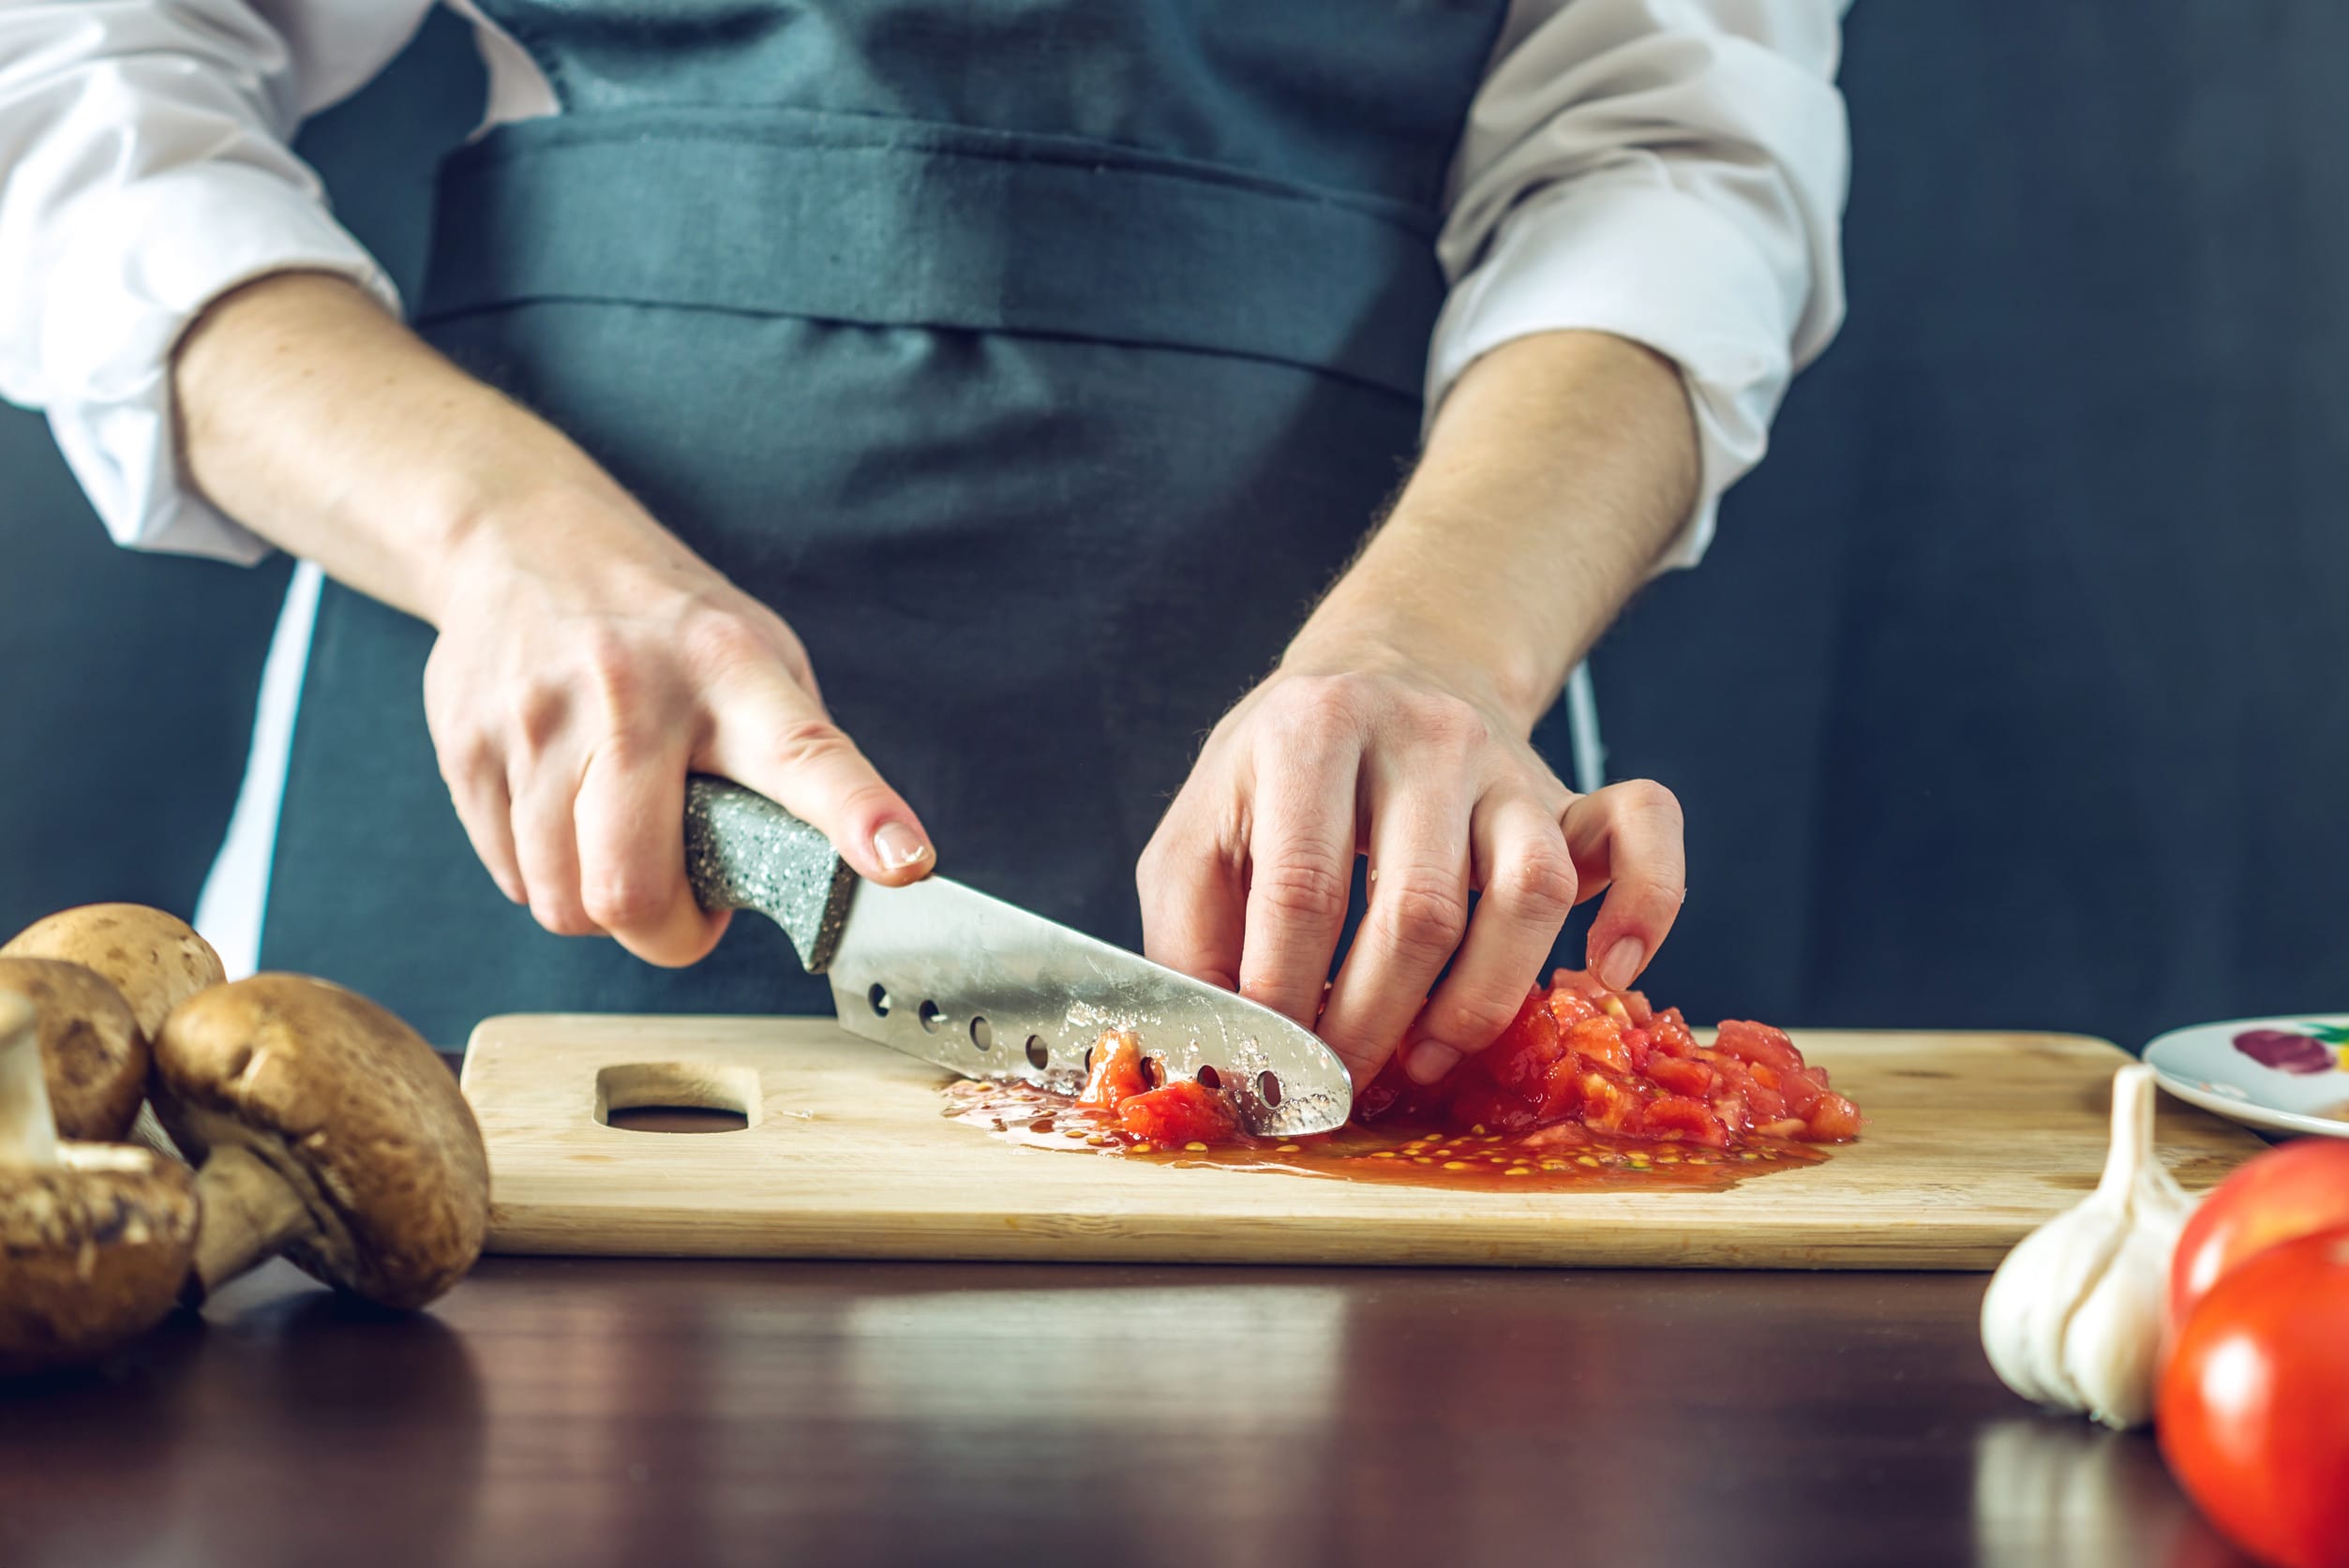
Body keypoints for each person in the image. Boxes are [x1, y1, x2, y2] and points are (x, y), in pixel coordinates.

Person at [0, 1, 1847, 1090]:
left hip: (1357, 768)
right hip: (539, 711)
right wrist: (496, 539)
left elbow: (1667, 154)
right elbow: (78, 69)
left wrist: (1443, 638)